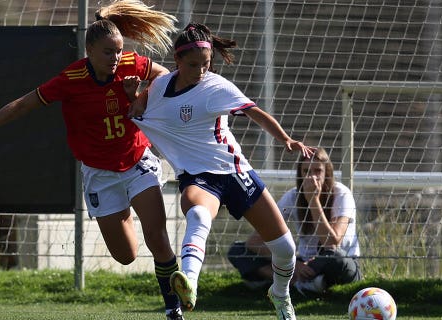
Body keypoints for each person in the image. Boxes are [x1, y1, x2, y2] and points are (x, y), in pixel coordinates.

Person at [0, 1, 186, 319]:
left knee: (158, 238)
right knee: (126, 256)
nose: (116, 58)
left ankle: (174, 308)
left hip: (136, 162)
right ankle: (126, 209)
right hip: (100, 174)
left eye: (119, 51)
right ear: (89, 51)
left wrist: (142, 95)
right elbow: (24, 104)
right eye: (108, 52)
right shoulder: (72, 78)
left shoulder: (132, 65)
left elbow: (164, 77)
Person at [129, 22, 315, 320]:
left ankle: (280, 294)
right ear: (177, 62)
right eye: (193, 65)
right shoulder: (160, 87)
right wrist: (133, 96)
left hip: (233, 172)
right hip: (199, 178)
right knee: (198, 212)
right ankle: (189, 281)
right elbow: (138, 112)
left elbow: (256, 113)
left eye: (206, 64)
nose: (201, 71)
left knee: (285, 250)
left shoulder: (216, 87)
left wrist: (286, 139)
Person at [227, 148, 362, 295]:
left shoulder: (341, 194)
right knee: (238, 251)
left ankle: (296, 283)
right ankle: (294, 283)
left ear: (327, 173)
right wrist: (294, 265)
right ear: (300, 174)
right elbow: (254, 242)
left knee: (338, 259)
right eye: (306, 171)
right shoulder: (292, 196)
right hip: (302, 262)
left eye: (318, 171)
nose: (312, 177)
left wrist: (313, 200)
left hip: (333, 260)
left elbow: (332, 243)